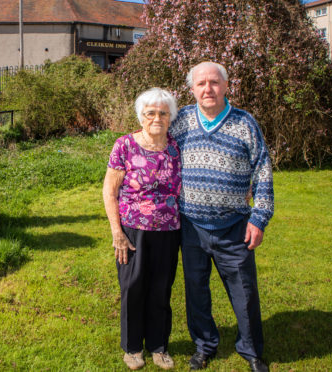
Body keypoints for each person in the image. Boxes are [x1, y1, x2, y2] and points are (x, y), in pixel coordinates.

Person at [169, 62, 274, 372]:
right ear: (191, 89)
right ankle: (204, 346)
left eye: (214, 82)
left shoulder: (244, 123)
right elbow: (157, 147)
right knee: (196, 291)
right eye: (201, 83)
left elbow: (263, 171)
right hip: (191, 226)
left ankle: (251, 350)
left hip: (234, 227)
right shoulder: (182, 120)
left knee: (244, 293)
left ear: (227, 86)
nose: (207, 89)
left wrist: (259, 217)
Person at [103, 88, 182, 370]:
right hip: (133, 230)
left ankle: (159, 346)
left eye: (163, 112)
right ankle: (133, 347)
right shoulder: (124, 145)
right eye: (151, 113)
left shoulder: (176, 146)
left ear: (171, 116)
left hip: (169, 230)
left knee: (161, 288)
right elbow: (109, 191)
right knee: (133, 287)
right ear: (141, 116)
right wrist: (117, 233)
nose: (157, 117)